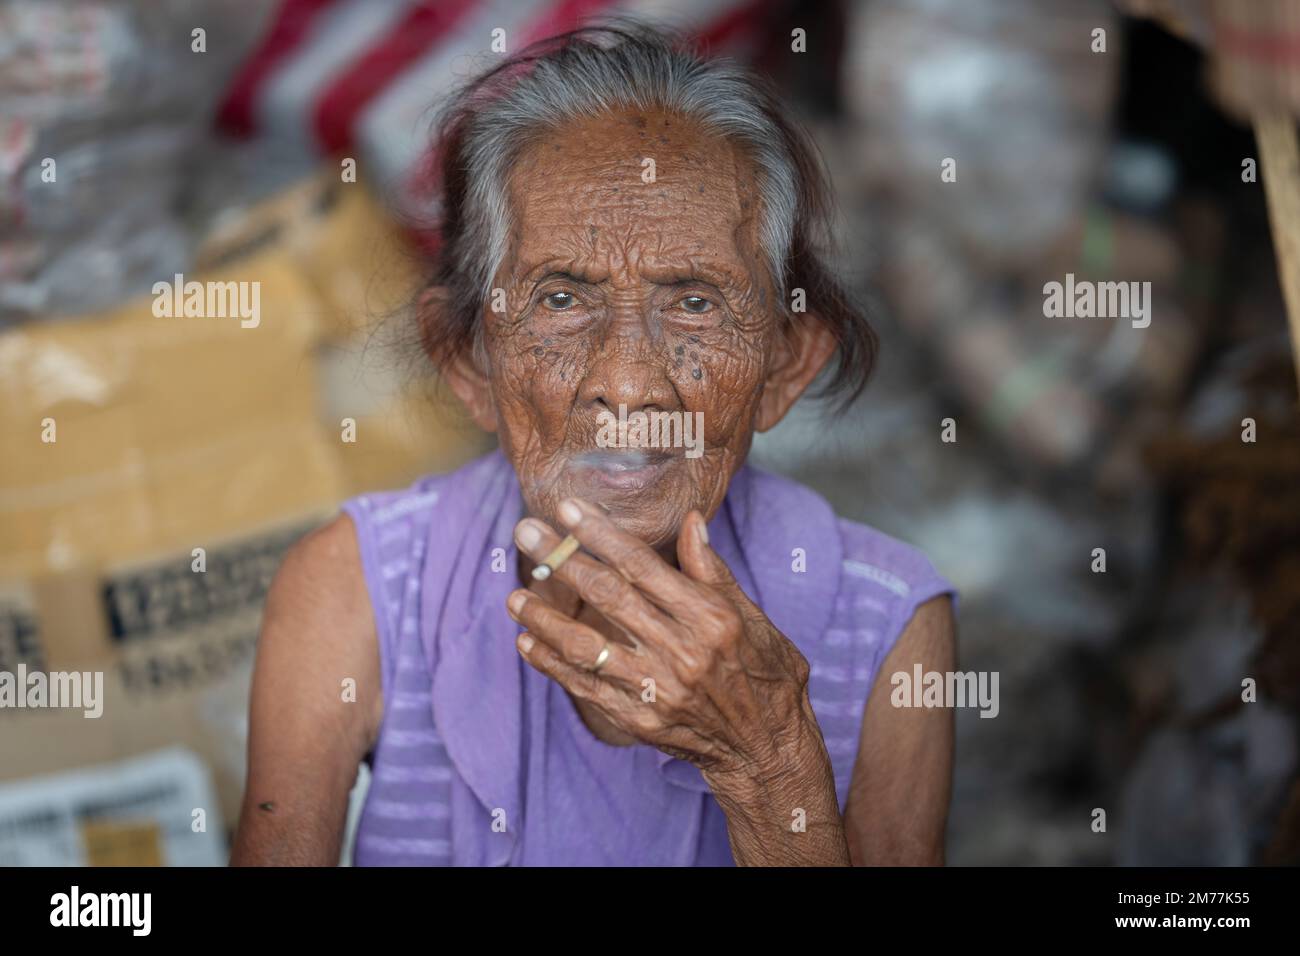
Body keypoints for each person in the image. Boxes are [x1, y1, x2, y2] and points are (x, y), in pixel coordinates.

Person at [231, 22, 957, 867]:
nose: (628, 382)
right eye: (561, 300)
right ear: (468, 360)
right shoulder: (354, 587)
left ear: (785, 365)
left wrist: (769, 766)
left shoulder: (888, 624)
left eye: (694, 302)